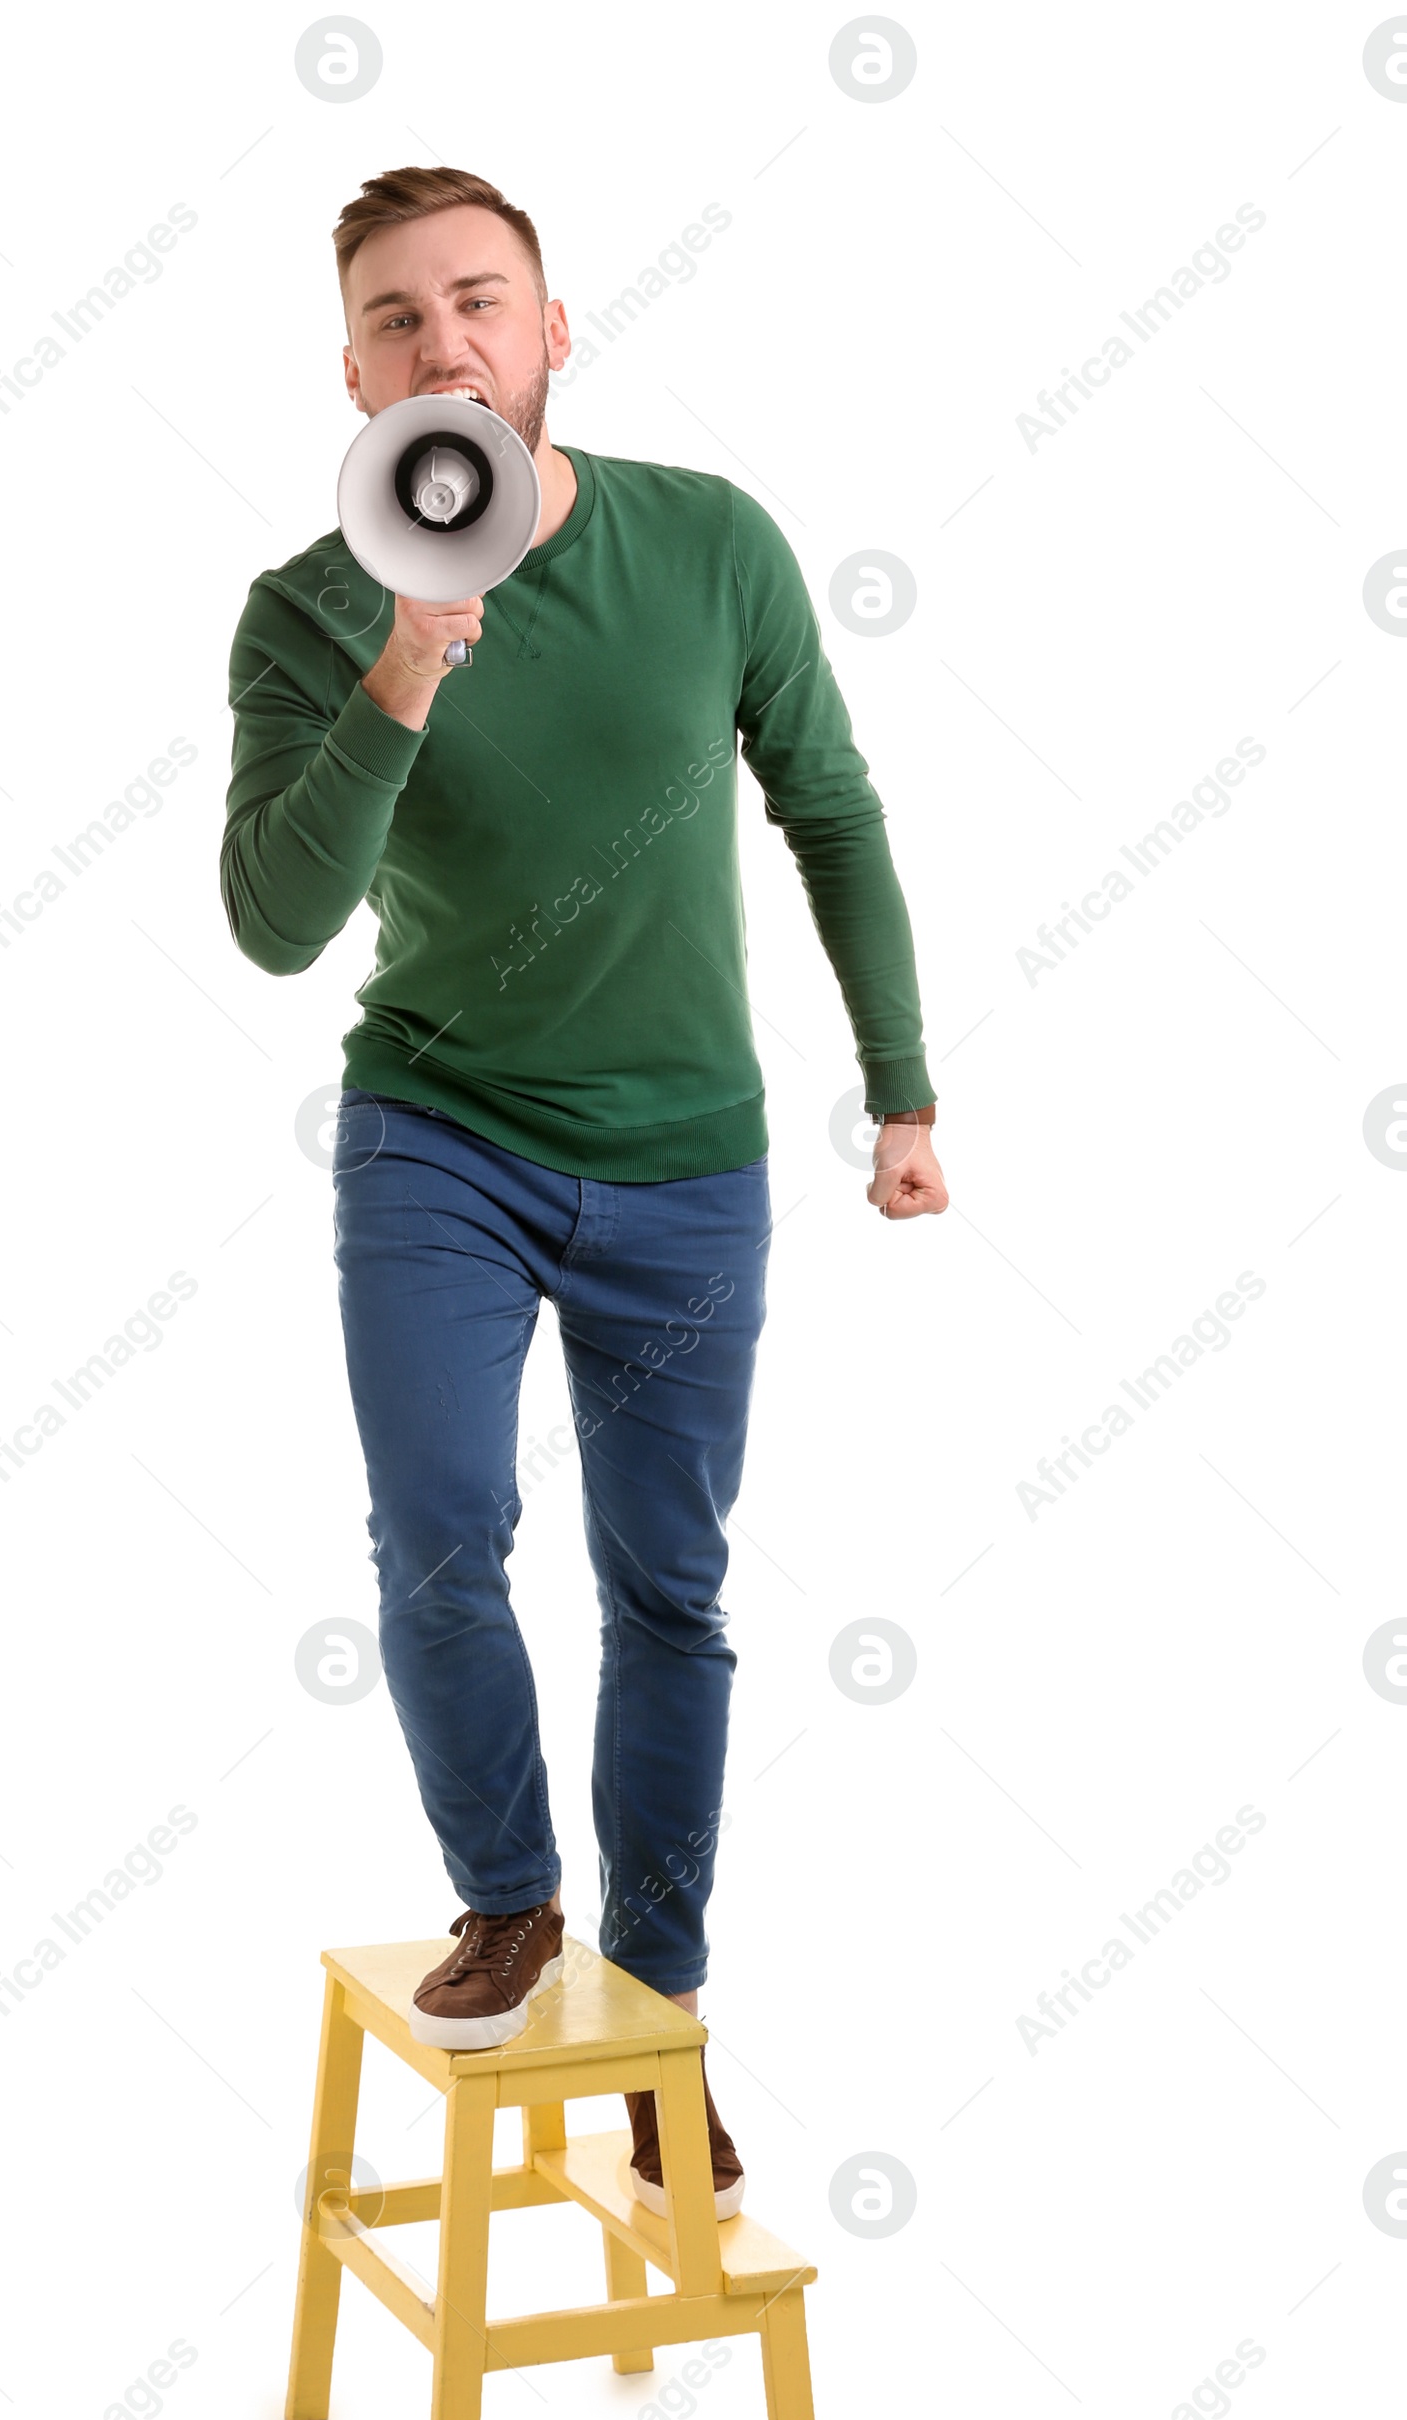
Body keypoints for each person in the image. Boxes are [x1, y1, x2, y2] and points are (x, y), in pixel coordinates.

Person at [220, 165, 947, 2222]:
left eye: (477, 302)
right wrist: (401, 669)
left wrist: (897, 1092)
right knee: (440, 1532)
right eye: (391, 317)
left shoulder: (707, 542)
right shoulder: (304, 608)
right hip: (435, 1140)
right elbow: (276, 921)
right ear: (350, 371)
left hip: (683, 1167)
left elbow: (828, 804)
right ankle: (511, 1897)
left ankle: (658, 2020)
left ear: (552, 332)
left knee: (669, 1594)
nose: (439, 343)